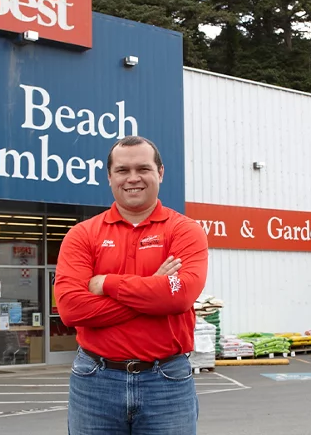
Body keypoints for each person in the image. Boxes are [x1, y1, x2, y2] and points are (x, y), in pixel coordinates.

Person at [53, 135, 209, 435]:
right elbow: (72, 310)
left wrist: (108, 283)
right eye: (123, 170)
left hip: (166, 381)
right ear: (110, 177)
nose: (133, 178)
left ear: (160, 173)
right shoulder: (82, 235)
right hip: (95, 381)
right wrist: (153, 288)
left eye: (143, 169)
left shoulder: (185, 231)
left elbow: (179, 297)